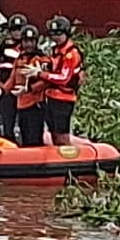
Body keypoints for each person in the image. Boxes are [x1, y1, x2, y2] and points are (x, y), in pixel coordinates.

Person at [25, 15, 83, 146]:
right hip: (51, 96)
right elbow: (52, 65)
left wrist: (41, 74)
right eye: (53, 34)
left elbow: (63, 78)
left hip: (64, 98)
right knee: (53, 130)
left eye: (59, 34)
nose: (55, 37)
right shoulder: (56, 50)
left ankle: (65, 156)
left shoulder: (71, 54)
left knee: (61, 132)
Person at [2, 24, 50, 147]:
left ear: (36, 42)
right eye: (26, 41)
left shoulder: (42, 60)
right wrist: (2, 90)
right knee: (24, 135)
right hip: (21, 104)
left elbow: (45, 82)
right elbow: (13, 78)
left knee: (34, 137)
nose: (29, 44)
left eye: (31, 41)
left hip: (35, 105)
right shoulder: (20, 59)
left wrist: (29, 89)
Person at [0, 14, 27, 142]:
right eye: (14, 30)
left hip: (22, 90)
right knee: (7, 121)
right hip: (5, 90)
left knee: (24, 121)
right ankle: (8, 142)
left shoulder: (29, 47)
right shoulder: (5, 45)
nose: (17, 33)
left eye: (19, 29)